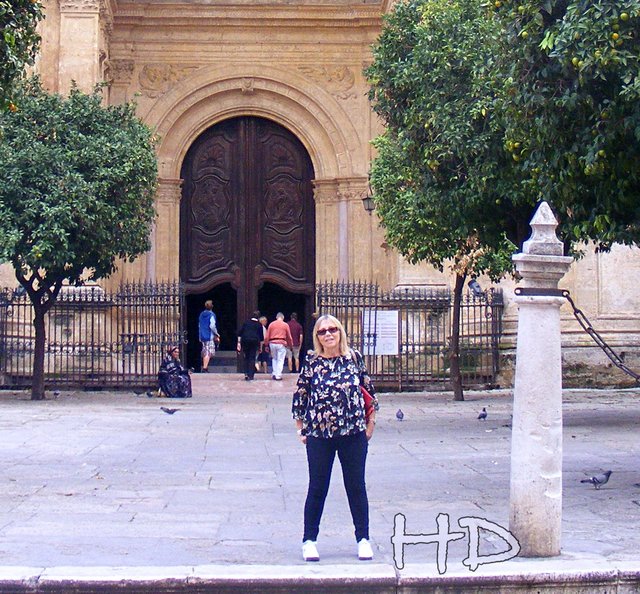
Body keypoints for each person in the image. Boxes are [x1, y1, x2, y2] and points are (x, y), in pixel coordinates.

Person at [292, 314, 378, 562]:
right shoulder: (311, 361)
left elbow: (368, 391)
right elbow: (301, 394)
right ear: (317, 337)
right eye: (322, 331)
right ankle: (309, 540)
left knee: (356, 486)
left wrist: (370, 424)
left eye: (332, 329)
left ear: (340, 332)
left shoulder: (353, 358)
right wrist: (301, 428)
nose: (328, 334)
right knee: (317, 487)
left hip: (352, 433)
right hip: (320, 434)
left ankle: (363, 539)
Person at [264, 312, 293, 380]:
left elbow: (267, 336)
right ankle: (278, 375)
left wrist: (266, 345)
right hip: (281, 343)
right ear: (283, 318)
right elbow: (289, 336)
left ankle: (274, 373)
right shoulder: (285, 325)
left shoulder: (271, 324)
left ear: (276, 317)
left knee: (274, 358)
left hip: (272, 343)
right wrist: (290, 345)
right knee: (280, 359)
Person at [237, 311, 264, 381]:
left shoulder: (246, 323)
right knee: (252, 358)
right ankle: (251, 375)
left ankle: (246, 373)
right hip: (254, 341)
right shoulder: (259, 325)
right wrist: (260, 347)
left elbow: (240, 333)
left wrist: (239, 343)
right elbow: (261, 338)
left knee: (246, 357)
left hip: (245, 341)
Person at [198, 300, 220, 373]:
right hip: (209, 335)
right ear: (212, 306)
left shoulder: (201, 314)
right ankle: (204, 368)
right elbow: (212, 325)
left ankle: (205, 366)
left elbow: (199, 324)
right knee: (208, 352)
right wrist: (216, 333)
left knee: (205, 351)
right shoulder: (211, 315)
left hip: (202, 335)